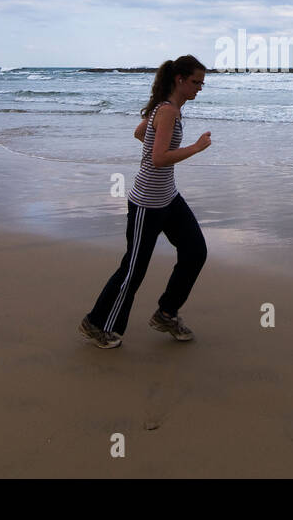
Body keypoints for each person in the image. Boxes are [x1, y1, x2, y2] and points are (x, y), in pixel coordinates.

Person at [80, 55, 212, 348]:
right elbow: (158, 158)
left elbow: (140, 132)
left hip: (168, 198)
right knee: (133, 270)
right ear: (179, 79)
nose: (200, 88)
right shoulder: (167, 111)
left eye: (202, 83)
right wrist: (196, 148)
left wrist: (159, 144)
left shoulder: (169, 108)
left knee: (195, 251)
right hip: (147, 204)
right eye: (195, 82)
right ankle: (98, 324)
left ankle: (166, 313)